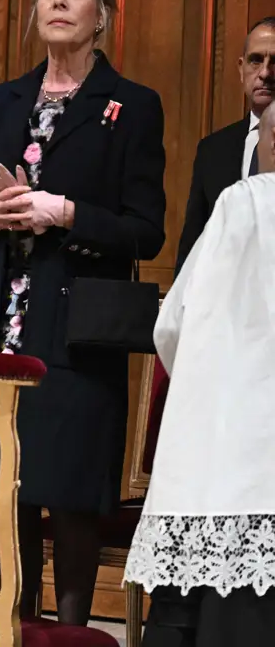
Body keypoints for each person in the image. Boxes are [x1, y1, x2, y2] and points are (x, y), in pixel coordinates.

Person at [0, 0, 166, 625]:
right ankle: (12, 626)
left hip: (76, 331)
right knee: (10, 489)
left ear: (101, 14)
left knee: (69, 492)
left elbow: (145, 230)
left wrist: (64, 213)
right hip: (3, 329)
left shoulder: (131, 105)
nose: (60, 3)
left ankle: (70, 634)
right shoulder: (2, 100)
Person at [124, 100, 275, 647]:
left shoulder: (240, 204)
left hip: (229, 436)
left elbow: (173, 324)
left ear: (269, 146)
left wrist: (204, 381)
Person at [175, 17, 275, 273]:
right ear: (241, 69)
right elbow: (192, 245)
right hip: (226, 305)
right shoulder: (213, 150)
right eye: (256, 60)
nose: (265, 72)